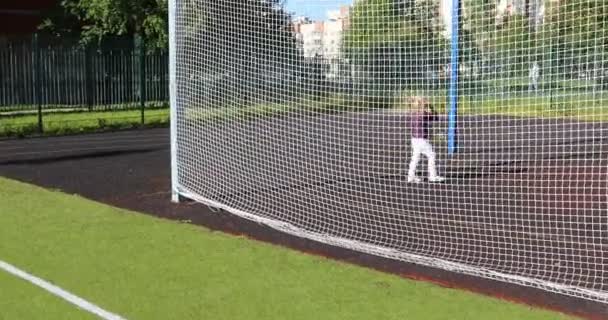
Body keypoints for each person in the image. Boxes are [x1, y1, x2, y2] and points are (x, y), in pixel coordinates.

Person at [406, 96, 445, 183]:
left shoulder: (411, 113)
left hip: (414, 139)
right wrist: (430, 106)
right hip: (422, 140)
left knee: (415, 157)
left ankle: (410, 177)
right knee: (431, 155)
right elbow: (436, 117)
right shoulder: (423, 114)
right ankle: (433, 176)